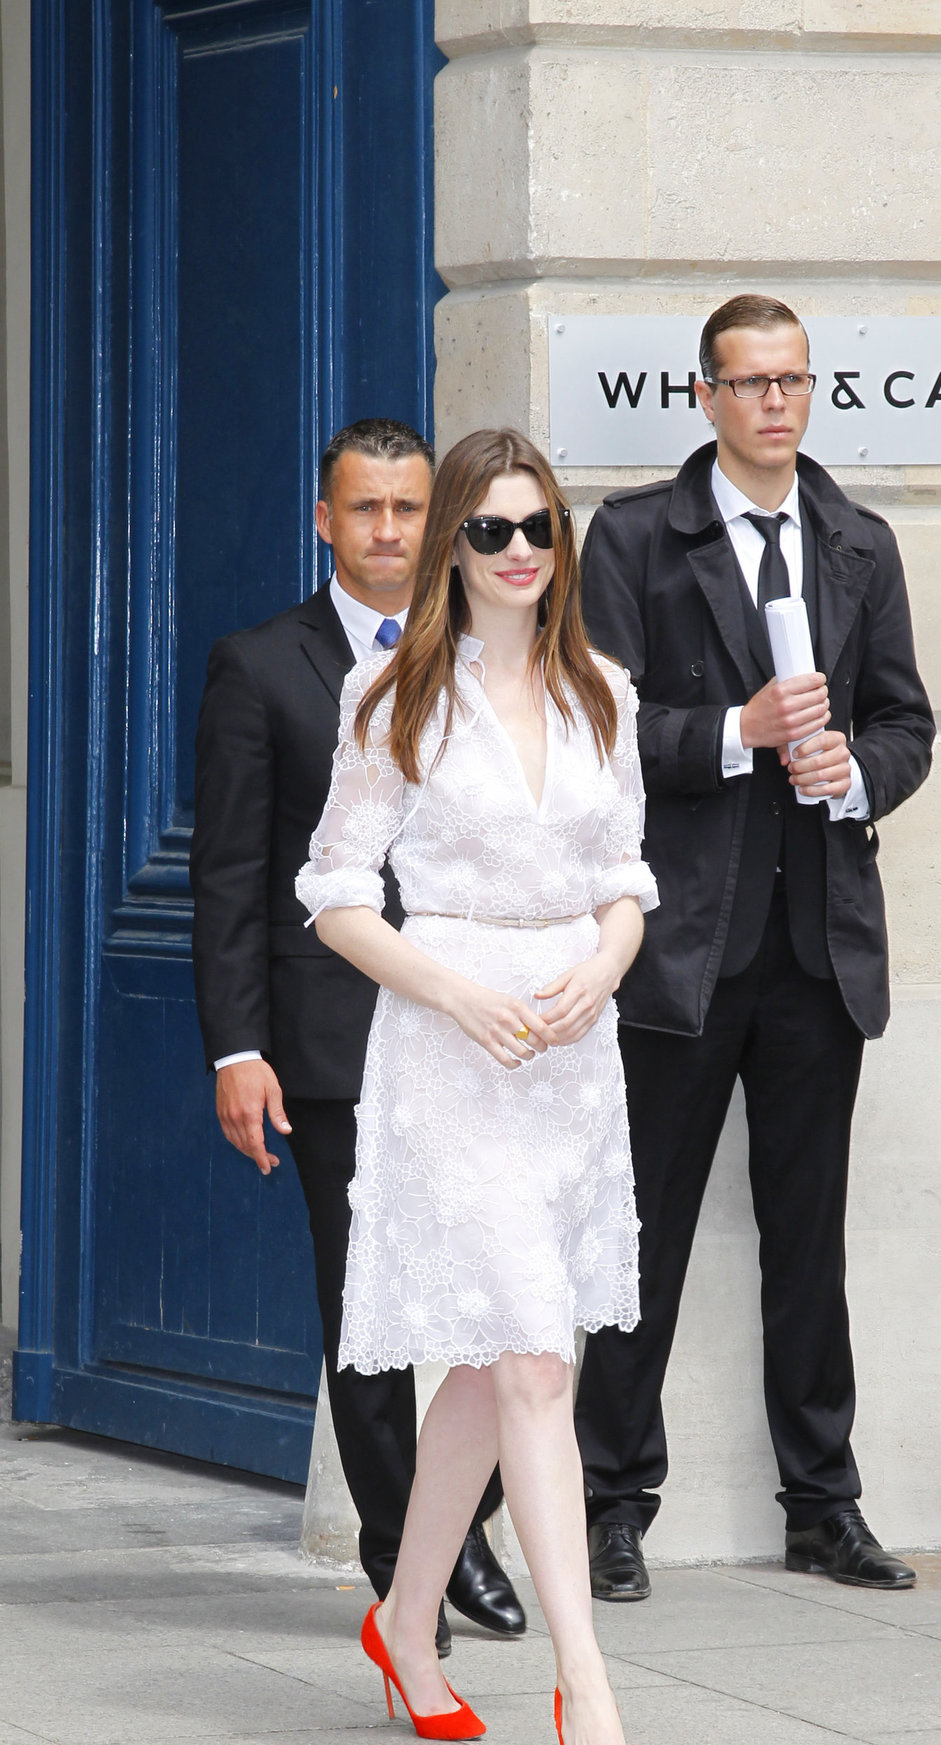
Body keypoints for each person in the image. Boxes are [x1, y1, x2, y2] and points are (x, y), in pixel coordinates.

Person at [295, 427, 657, 1745]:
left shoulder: (600, 694)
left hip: (570, 1046)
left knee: (496, 1355)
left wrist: (604, 963)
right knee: (535, 1366)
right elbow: (332, 892)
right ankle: (586, 1686)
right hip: (450, 1045)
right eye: (490, 531)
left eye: (537, 529)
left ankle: (401, 1622)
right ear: (452, 543)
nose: (517, 553)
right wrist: (449, 991)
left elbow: (628, 874)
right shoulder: (394, 694)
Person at [573, 294, 935, 1601]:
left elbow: (908, 722)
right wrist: (736, 729)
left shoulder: (858, 542)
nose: (775, 402)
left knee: (809, 1242)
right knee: (639, 1240)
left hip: (816, 950)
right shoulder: (631, 539)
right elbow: (594, 730)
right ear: (705, 397)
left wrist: (851, 772)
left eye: (793, 381)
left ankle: (821, 1507)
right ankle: (612, 1504)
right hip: (678, 949)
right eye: (751, 382)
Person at [190, 417, 524, 1655]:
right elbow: (230, 872)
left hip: (470, 1024)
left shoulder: (492, 646)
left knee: (498, 1289)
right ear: (324, 520)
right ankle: (411, 1547)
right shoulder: (259, 664)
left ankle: (460, 1508)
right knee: (367, 1301)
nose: (388, 531)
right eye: (364, 510)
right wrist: (238, 1047)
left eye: (406, 508)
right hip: (328, 1041)